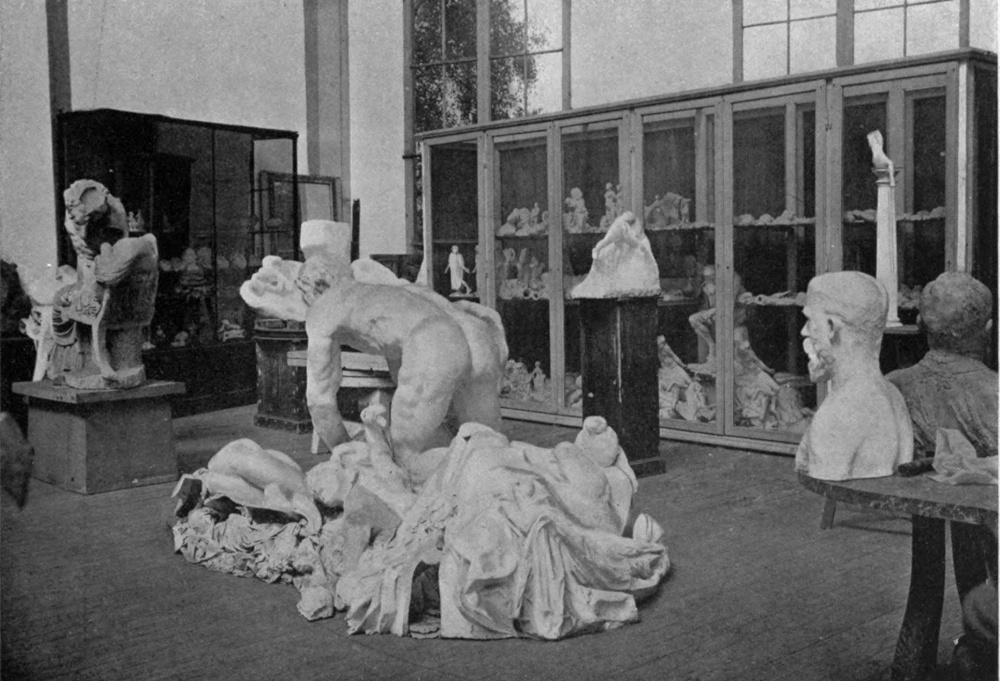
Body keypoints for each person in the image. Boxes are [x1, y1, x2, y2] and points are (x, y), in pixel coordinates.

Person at [241, 253, 507, 478]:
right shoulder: (392, 290)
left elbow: (319, 401)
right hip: (477, 335)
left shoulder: (324, 306)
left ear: (313, 287)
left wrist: (343, 450)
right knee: (489, 447)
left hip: (434, 340)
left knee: (406, 464)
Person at [886, 272, 997, 680]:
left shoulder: (895, 385)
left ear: (921, 325)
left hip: (928, 500)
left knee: (927, 578)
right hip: (983, 506)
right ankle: (979, 654)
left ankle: (917, 664)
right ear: (986, 329)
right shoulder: (993, 391)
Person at [795, 271, 914, 481]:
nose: (804, 331)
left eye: (810, 320)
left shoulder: (837, 416)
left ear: (831, 327)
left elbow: (826, 487)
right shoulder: (893, 395)